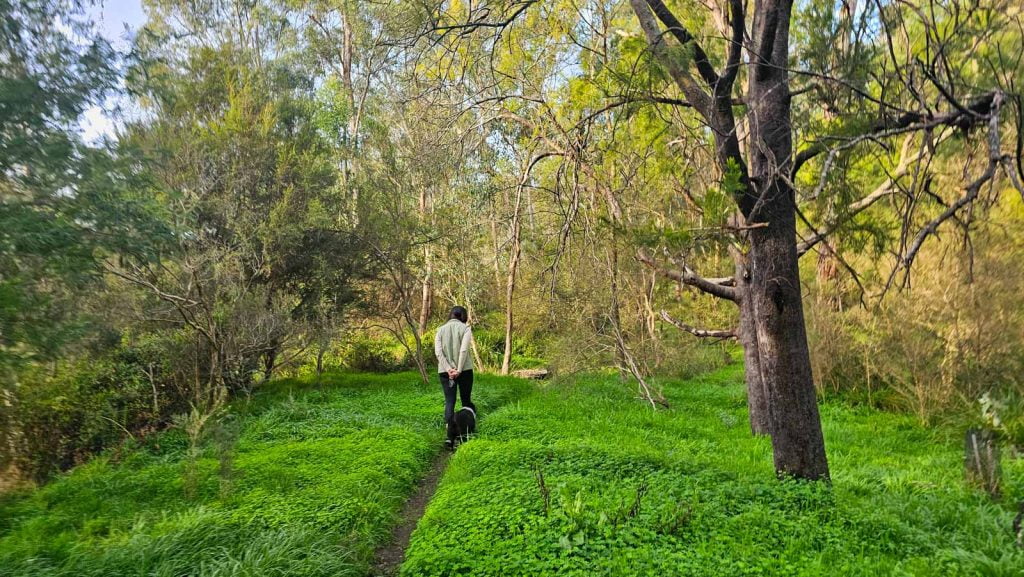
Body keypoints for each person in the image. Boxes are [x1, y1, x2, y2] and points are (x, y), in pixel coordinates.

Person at [435, 306, 476, 449]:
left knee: (449, 401)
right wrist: (458, 369)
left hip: (445, 372)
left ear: (450, 314)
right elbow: (464, 349)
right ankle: (466, 432)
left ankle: (449, 435)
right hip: (464, 370)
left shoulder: (440, 330)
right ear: (463, 316)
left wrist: (448, 369)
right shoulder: (465, 329)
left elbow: (438, 352)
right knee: (466, 400)